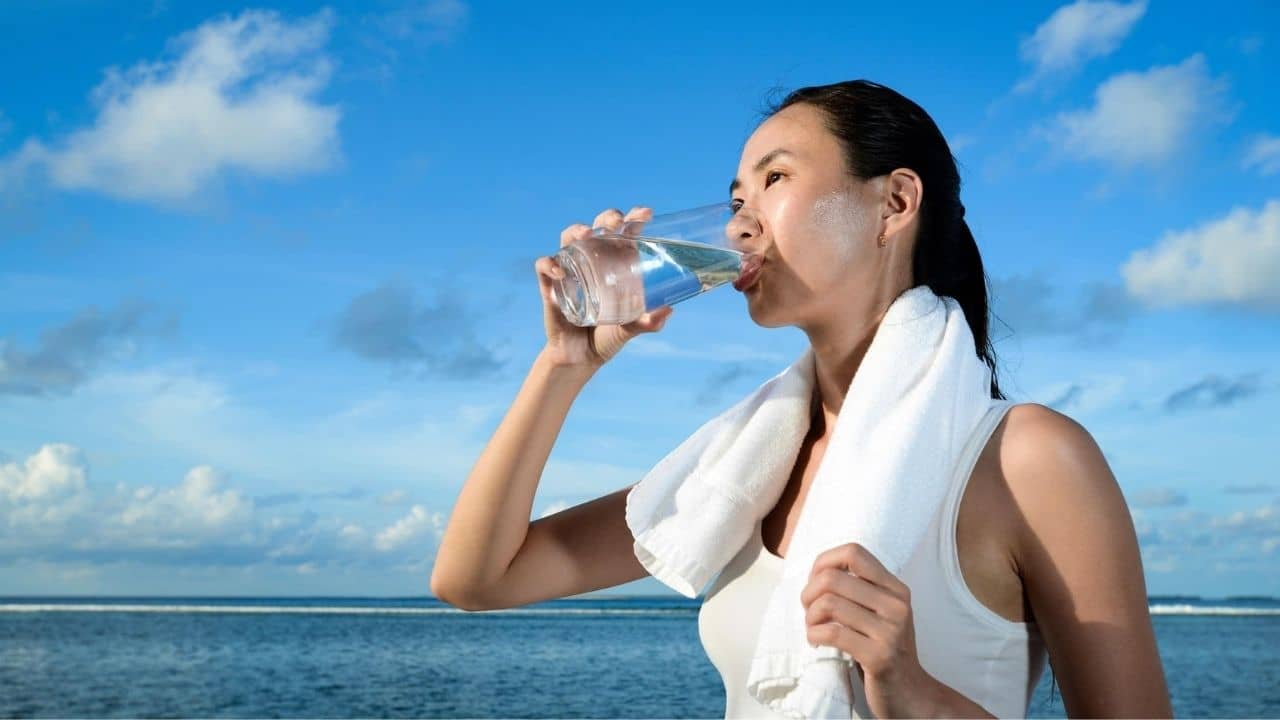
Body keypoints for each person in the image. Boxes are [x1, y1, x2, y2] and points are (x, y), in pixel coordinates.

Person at [430, 79, 1173, 718]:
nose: (737, 223)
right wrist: (562, 366)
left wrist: (915, 695)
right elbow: (476, 579)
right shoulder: (741, 470)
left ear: (895, 202)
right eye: (734, 198)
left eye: (775, 179)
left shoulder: (1031, 460)